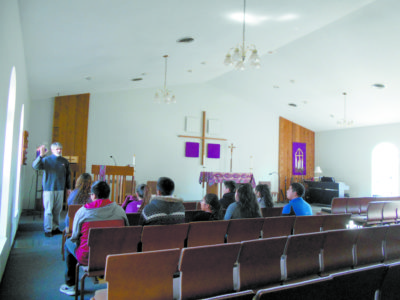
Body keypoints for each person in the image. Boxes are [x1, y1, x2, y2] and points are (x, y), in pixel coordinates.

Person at [60, 180, 129, 296]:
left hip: (89, 258)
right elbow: (126, 230)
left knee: (68, 243)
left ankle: (70, 284)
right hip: (115, 255)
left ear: (93, 195)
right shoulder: (120, 210)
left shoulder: (83, 212)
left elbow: (75, 236)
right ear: (108, 194)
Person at [32, 142, 71, 237]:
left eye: (60, 149)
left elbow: (68, 175)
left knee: (57, 210)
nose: (59, 150)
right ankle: (48, 229)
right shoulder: (46, 160)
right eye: (57, 149)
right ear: (52, 150)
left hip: (60, 188)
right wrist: (41, 156)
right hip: (49, 189)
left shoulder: (64, 161)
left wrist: (68, 188)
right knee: (49, 210)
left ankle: (55, 227)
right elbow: (35, 166)